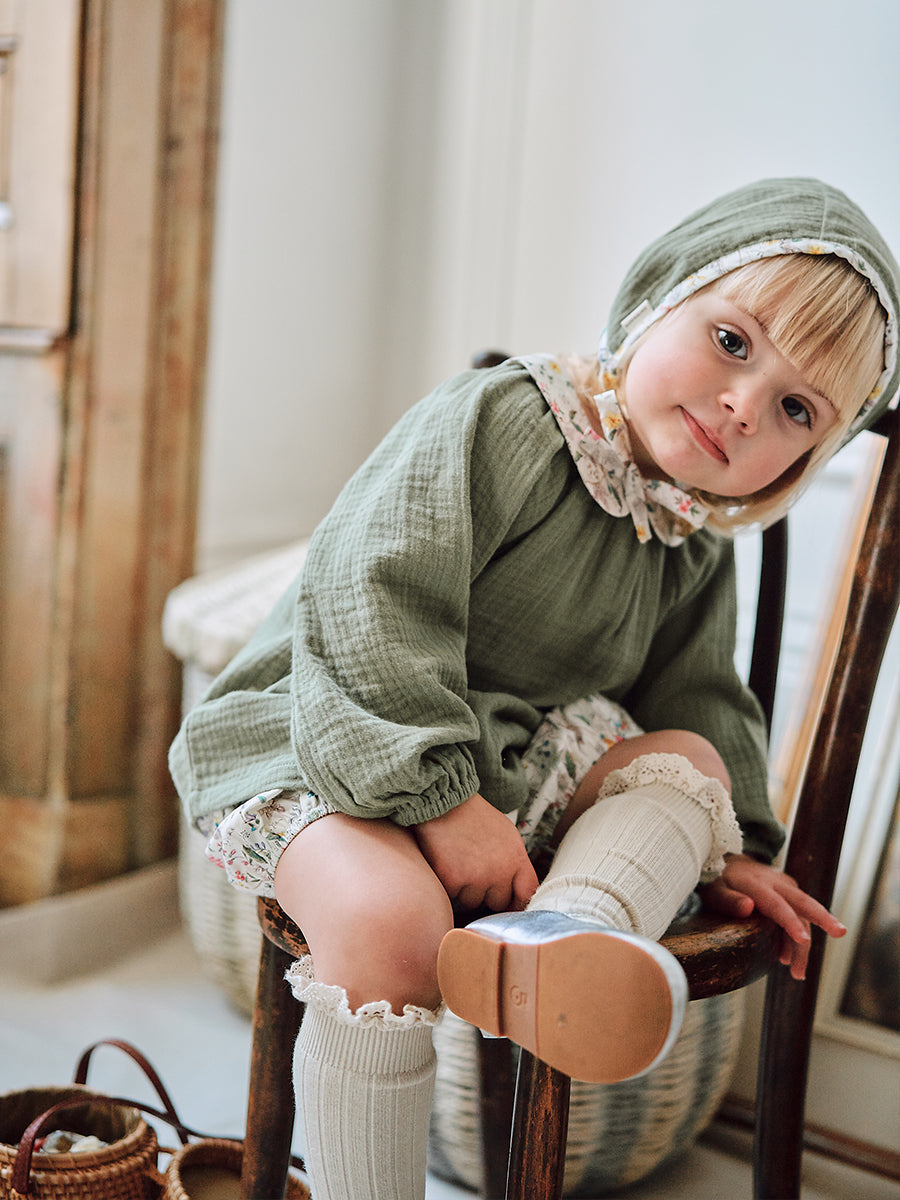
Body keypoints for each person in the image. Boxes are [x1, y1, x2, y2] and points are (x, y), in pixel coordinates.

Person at [170, 177, 899, 1200]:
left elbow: (698, 696)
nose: (744, 406)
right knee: (391, 927)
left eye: (795, 410)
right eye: (733, 342)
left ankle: (561, 938)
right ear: (658, 297)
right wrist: (442, 800)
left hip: (509, 769)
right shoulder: (506, 419)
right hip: (337, 732)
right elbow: (372, 599)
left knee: (688, 761)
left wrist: (730, 845)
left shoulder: (690, 537)